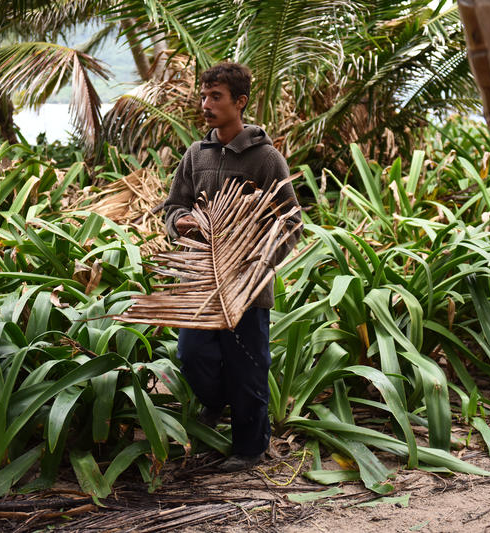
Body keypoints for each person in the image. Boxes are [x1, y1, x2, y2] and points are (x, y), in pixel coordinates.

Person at [164, 62, 302, 472]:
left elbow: (290, 222)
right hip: (200, 279)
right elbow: (173, 206)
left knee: (248, 367)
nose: (205, 105)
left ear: (239, 102)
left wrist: (256, 262)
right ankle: (216, 401)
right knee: (191, 354)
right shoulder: (195, 155)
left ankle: (249, 448)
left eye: (216, 97)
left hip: (247, 286)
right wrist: (180, 222)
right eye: (203, 96)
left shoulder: (266, 158)